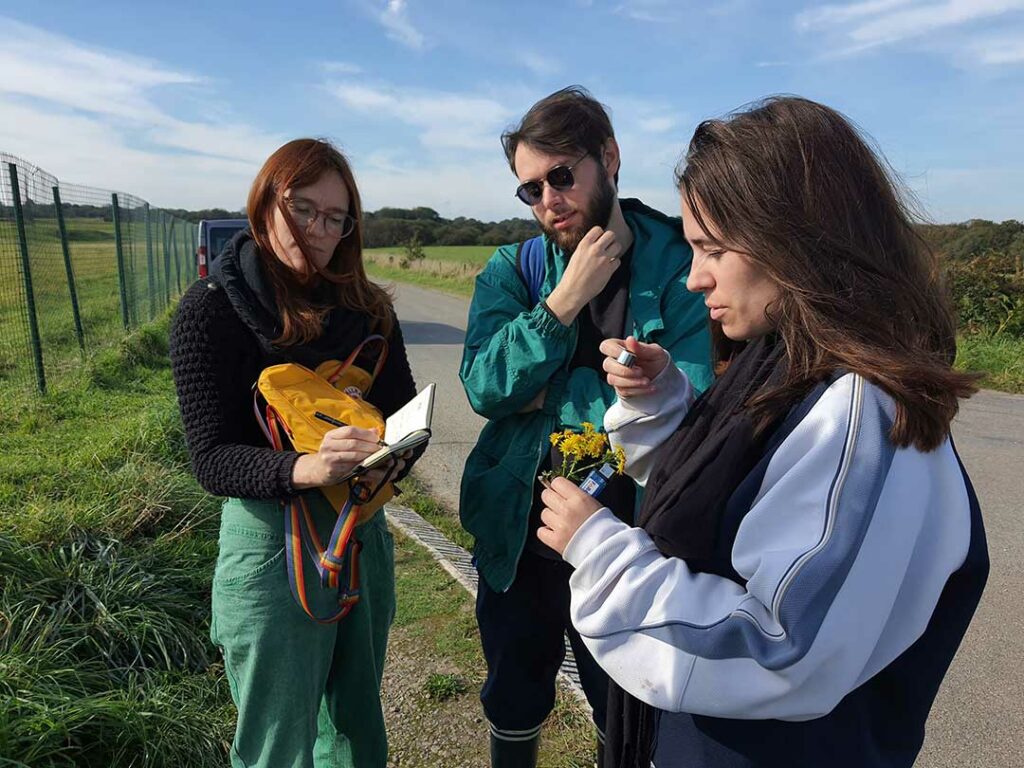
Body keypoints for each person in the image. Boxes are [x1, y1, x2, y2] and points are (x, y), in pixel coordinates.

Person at [536, 96, 989, 768]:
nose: (693, 278)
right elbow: (744, 497)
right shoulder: (792, 359)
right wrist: (667, 403)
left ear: (798, 239)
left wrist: (601, 552)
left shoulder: (862, 414)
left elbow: (778, 649)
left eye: (713, 248)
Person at [459, 86, 714, 767]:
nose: (548, 201)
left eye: (562, 176)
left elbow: (703, 406)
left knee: (626, 706)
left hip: (633, 542)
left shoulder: (681, 264)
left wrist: (553, 395)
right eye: (530, 190)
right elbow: (484, 387)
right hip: (519, 532)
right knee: (513, 692)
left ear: (610, 157)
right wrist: (560, 306)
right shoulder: (516, 271)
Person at [169, 138, 421, 768]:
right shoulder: (211, 311)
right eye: (303, 208)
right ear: (266, 203)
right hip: (267, 544)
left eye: (337, 218)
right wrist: (306, 468)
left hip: (361, 533)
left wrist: (394, 455)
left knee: (359, 727)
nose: (319, 230)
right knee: (275, 743)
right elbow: (211, 458)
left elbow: (404, 414)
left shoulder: (369, 309)